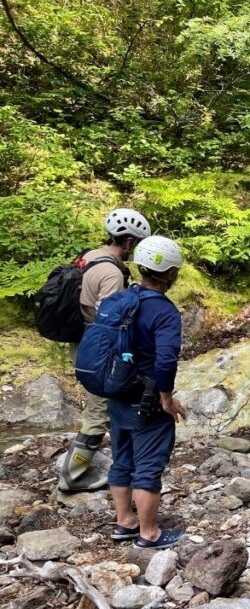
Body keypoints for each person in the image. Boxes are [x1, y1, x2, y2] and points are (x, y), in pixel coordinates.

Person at [60, 207, 151, 493]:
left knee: (106, 407)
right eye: (136, 244)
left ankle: (123, 462)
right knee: (98, 412)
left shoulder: (91, 256)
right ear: (128, 241)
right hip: (97, 349)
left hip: (81, 341)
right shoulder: (112, 272)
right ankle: (72, 477)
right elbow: (111, 319)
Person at [106, 235, 188, 548]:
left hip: (117, 391)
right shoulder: (164, 311)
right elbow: (166, 361)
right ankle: (149, 533)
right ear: (170, 273)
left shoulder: (123, 299)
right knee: (149, 465)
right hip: (147, 399)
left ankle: (124, 521)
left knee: (121, 459)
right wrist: (166, 399)